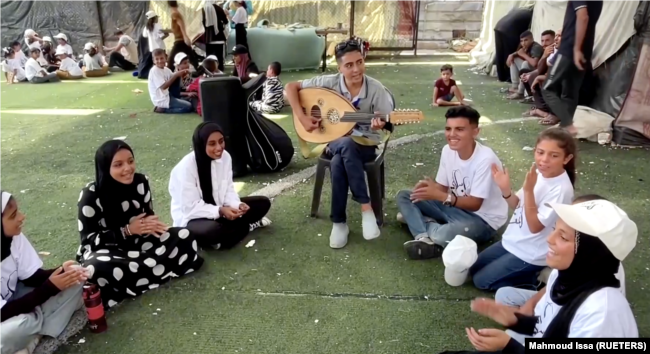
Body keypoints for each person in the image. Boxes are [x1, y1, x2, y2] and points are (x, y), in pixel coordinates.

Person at [455, 197, 638, 354]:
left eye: (563, 237)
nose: (549, 240)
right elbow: (550, 328)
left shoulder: (602, 313)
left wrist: (509, 345)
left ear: (590, 252)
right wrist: (517, 321)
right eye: (554, 230)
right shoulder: (565, 276)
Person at [285, 39, 395, 248]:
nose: (356, 69)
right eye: (349, 65)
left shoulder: (376, 89)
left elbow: (386, 123)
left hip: (365, 143)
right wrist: (303, 117)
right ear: (340, 67)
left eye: (360, 62)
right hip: (333, 140)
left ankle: (339, 223)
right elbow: (291, 87)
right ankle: (366, 206)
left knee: (338, 161)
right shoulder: (330, 82)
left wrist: (380, 123)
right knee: (344, 144)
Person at [76, 140, 204, 308]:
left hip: (140, 243)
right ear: (105, 167)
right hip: (109, 250)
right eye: (118, 165)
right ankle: (153, 271)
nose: (127, 169)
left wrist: (152, 224)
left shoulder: (141, 182)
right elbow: (89, 241)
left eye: (130, 161)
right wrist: (126, 230)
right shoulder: (90, 195)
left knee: (184, 236)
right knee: (95, 266)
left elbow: (147, 216)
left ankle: (135, 278)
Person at [468, 128, 576, 291]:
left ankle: (535, 279)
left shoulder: (561, 189)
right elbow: (516, 204)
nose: (544, 160)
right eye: (540, 152)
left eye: (554, 155)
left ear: (567, 158)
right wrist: (505, 189)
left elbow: (535, 226)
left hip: (530, 253)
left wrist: (528, 191)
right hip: (512, 241)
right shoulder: (539, 173)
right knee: (472, 268)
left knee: (481, 281)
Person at [396, 106, 508, 259]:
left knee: (441, 237)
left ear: (475, 132)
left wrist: (440, 196)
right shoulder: (447, 150)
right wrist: (430, 188)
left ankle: (419, 222)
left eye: (460, 129)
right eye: (448, 129)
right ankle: (422, 237)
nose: (452, 134)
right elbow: (442, 188)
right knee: (405, 195)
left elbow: (475, 204)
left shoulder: (486, 159)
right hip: (454, 206)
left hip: (482, 219)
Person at [0, 190, 86, 354]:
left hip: (18, 299)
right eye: (13, 216)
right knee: (9, 333)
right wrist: (49, 289)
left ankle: (31, 336)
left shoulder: (13, 236)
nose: (21, 217)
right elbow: (3, 313)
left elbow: (32, 277)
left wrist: (61, 272)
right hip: (4, 318)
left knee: (76, 275)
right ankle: (34, 330)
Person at [169, 122, 272, 249]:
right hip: (193, 217)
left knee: (263, 203)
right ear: (201, 144)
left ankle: (223, 238)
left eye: (221, 141)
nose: (219, 147)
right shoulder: (186, 168)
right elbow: (189, 208)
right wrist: (220, 211)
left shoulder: (226, 157)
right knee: (212, 231)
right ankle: (237, 230)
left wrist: (236, 204)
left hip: (220, 208)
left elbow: (228, 188)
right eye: (212, 144)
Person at [542, 0, 603, 137]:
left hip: (569, 49)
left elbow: (583, 16)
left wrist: (575, 49)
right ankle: (565, 131)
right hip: (585, 50)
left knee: (547, 89)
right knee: (570, 93)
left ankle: (567, 124)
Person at [522, 30, 561, 123]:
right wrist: (544, 56)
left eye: (547, 40)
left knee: (539, 77)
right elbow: (541, 69)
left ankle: (554, 114)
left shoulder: (567, 52)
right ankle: (542, 109)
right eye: (542, 41)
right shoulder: (553, 51)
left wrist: (542, 76)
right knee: (532, 75)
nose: (543, 44)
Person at [148, 49, 193, 114]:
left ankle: (175, 100)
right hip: (162, 99)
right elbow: (163, 87)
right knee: (188, 107)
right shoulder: (155, 71)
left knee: (188, 102)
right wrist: (177, 74)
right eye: (157, 59)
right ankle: (162, 109)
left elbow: (173, 75)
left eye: (161, 58)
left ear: (165, 58)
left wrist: (182, 72)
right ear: (153, 61)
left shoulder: (166, 69)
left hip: (168, 95)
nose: (160, 61)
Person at [506, 31, 544, 100]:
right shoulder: (524, 46)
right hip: (529, 72)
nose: (523, 43)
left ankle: (520, 92)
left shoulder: (536, 47)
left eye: (526, 40)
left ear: (532, 39)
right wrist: (511, 55)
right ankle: (515, 87)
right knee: (514, 59)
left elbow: (534, 63)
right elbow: (508, 63)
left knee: (525, 63)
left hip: (538, 72)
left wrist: (523, 55)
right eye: (521, 41)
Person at [167, 0, 199, 71]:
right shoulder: (176, 13)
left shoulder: (175, 14)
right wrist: (166, 31)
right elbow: (177, 28)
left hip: (180, 40)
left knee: (171, 59)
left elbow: (180, 24)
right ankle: (199, 70)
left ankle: (168, 73)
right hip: (181, 40)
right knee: (192, 58)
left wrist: (185, 36)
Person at [202, 0, 230, 72]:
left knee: (209, 60)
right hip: (219, 37)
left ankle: (209, 74)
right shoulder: (219, 9)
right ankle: (220, 74)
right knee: (219, 58)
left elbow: (201, 23)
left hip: (209, 38)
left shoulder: (204, 9)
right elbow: (226, 22)